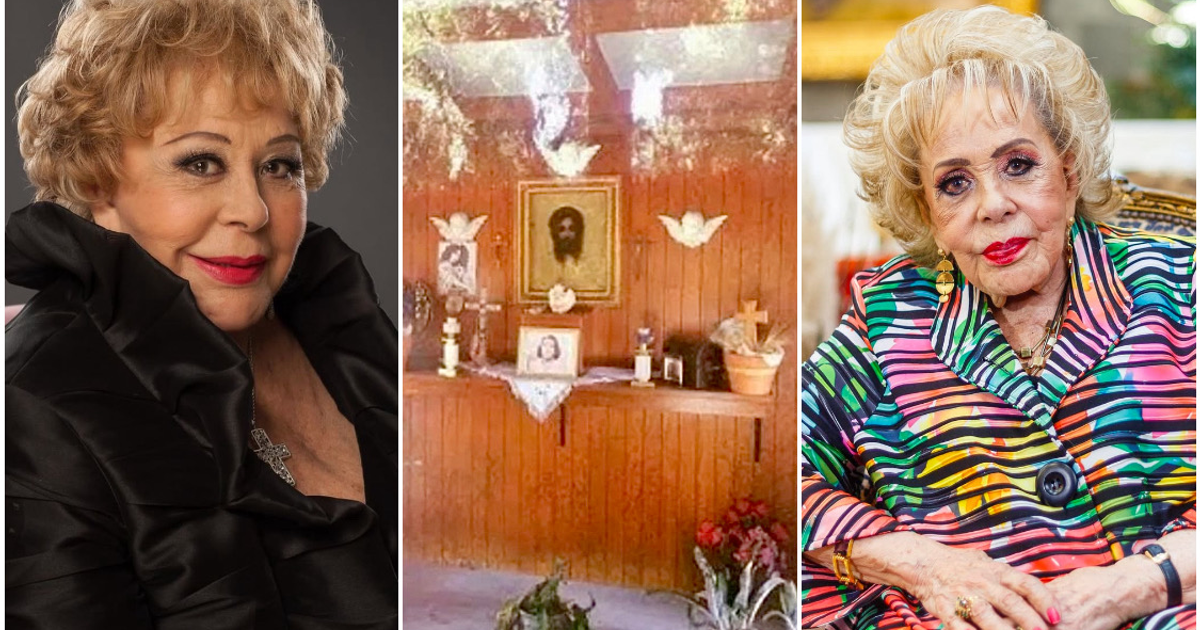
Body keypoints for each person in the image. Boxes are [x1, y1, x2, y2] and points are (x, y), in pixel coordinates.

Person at [801, 7, 1195, 630]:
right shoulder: (886, 322)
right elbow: (775, 473)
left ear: (1069, 170)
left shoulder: (1179, 289)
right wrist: (922, 566)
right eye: (955, 183)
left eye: (1018, 165)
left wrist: (1134, 586)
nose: (993, 205)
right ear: (925, 211)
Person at [6, 1, 397, 627]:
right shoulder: (40, 408)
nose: (253, 210)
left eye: (278, 165)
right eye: (200, 162)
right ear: (98, 177)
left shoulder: (339, 326)